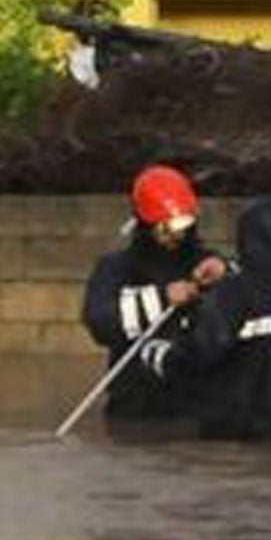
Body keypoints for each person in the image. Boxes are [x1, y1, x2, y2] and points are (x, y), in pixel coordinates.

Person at [140, 195, 271, 441]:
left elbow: (200, 353)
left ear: (245, 239)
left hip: (232, 444)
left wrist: (158, 355)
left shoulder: (236, 291)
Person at [80, 164, 226, 422]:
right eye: (164, 228)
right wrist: (162, 299)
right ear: (144, 225)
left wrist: (227, 271)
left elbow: (251, 296)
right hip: (134, 407)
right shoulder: (116, 267)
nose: (174, 235)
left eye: (182, 225)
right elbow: (99, 322)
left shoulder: (208, 265)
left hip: (197, 408)